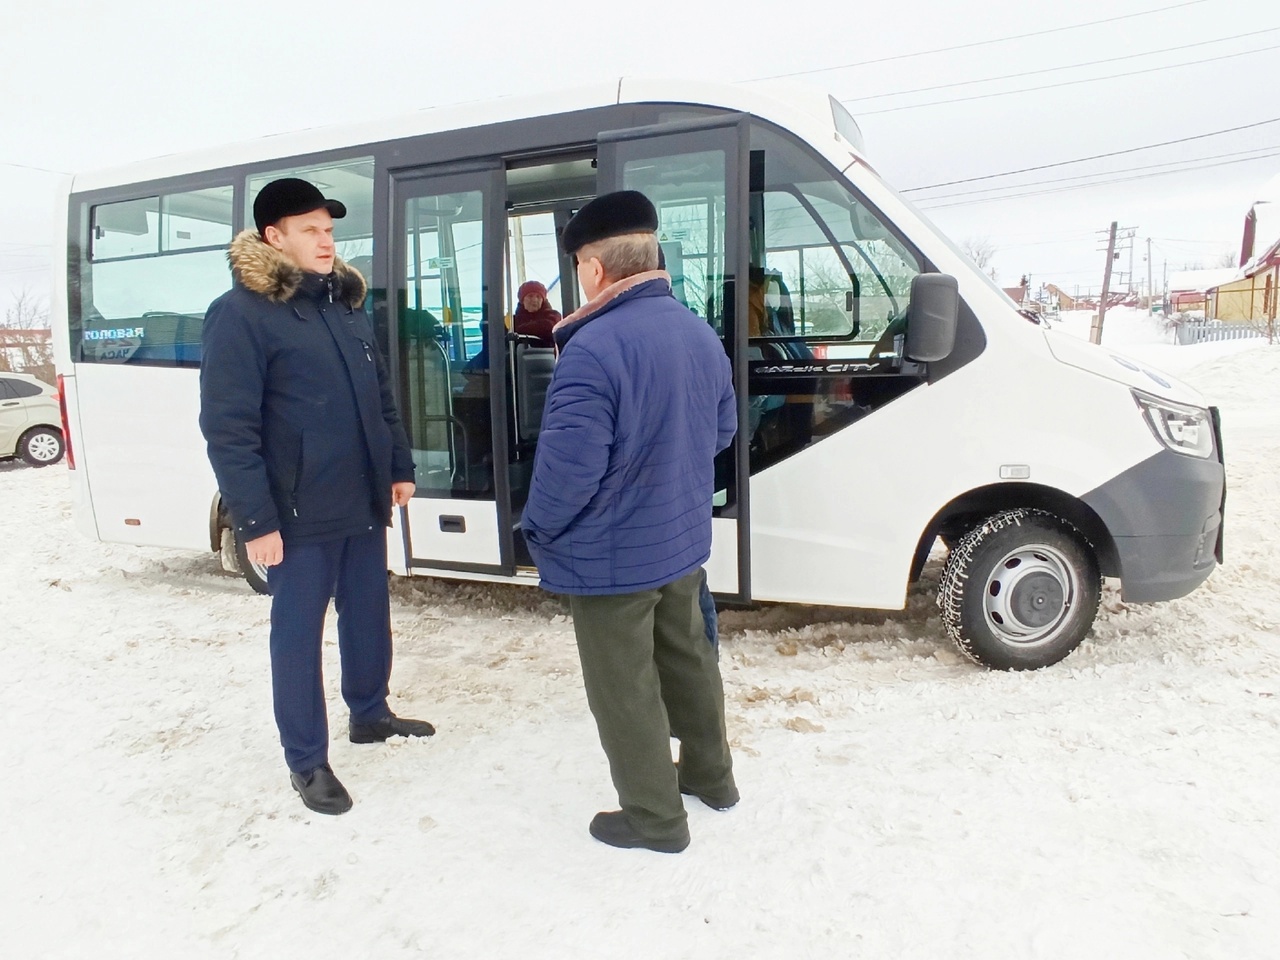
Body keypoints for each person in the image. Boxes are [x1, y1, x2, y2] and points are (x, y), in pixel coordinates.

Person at [199, 178, 435, 816]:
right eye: (310, 229)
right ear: (273, 238)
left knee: (367, 614)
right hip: (296, 513)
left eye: (329, 229)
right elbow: (229, 428)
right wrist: (256, 521)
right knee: (298, 637)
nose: (326, 239)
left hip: (360, 499)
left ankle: (370, 713)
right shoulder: (240, 312)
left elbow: (379, 395)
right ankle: (306, 759)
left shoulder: (344, 304)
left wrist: (397, 464)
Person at [521, 190, 739, 853]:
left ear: (592, 269)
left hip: (613, 556)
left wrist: (539, 530)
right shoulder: (696, 330)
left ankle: (655, 819)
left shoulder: (592, 349)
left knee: (625, 689)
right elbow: (723, 430)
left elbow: (569, 473)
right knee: (689, 659)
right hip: (679, 540)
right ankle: (712, 778)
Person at [512, 280, 561, 346]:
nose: (535, 300)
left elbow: (548, 327)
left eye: (538, 297)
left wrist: (520, 330)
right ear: (522, 300)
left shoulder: (553, 316)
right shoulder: (513, 320)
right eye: (530, 296)